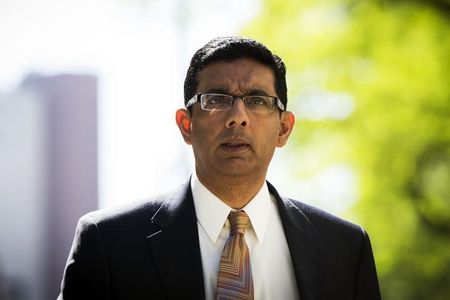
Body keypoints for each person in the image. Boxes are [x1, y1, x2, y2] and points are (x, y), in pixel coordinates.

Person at [58, 36, 381, 300]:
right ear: (186, 124)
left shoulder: (345, 248)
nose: (237, 116)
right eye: (216, 99)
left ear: (283, 128)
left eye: (257, 100)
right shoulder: (109, 243)